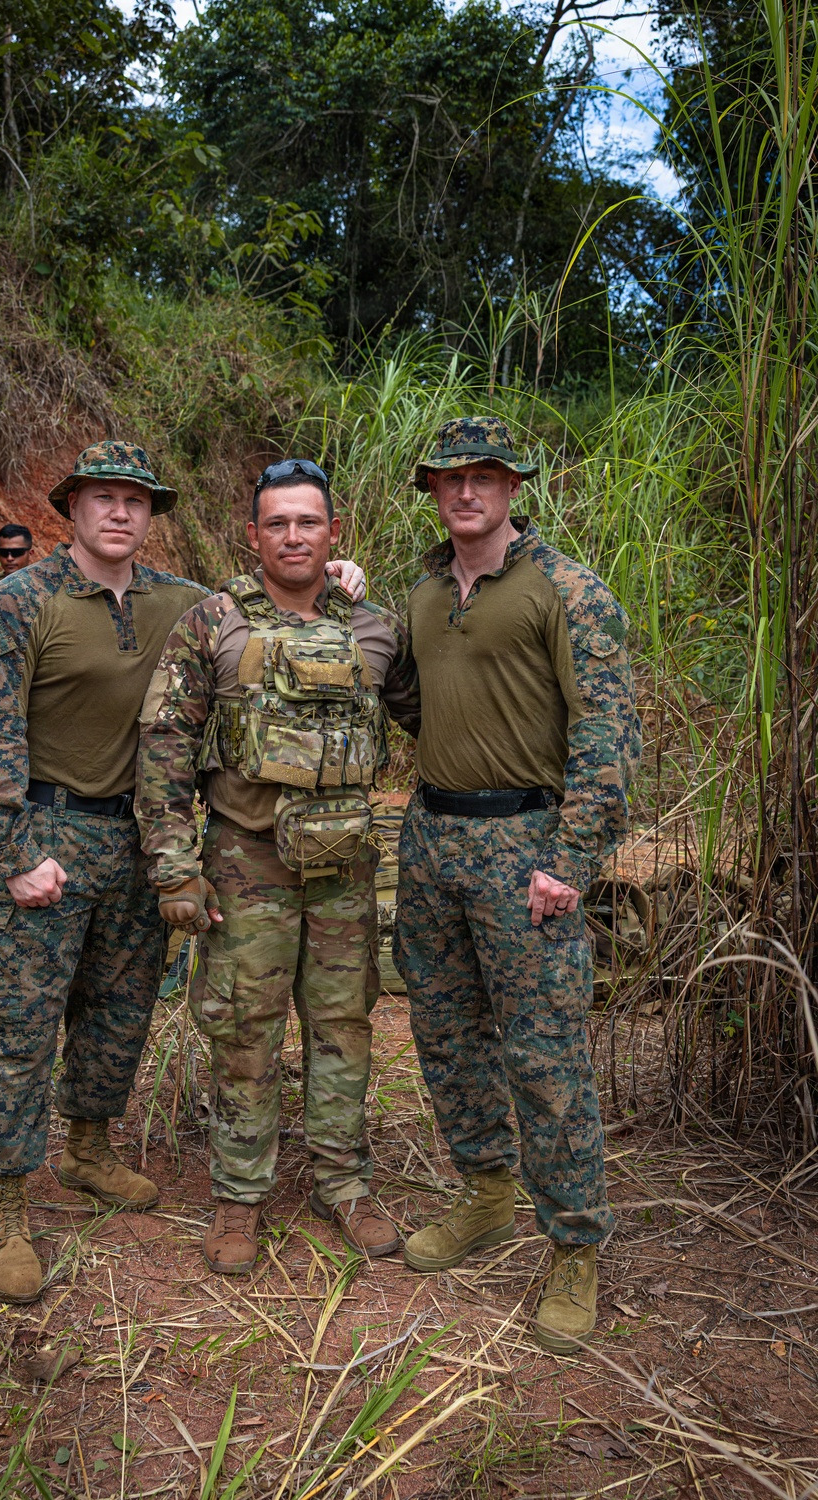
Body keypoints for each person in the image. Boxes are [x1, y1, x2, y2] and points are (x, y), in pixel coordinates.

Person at [0, 442, 366, 1305]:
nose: (119, 513)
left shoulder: (179, 601)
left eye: (135, 502)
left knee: (119, 1011)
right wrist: (16, 850)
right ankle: (4, 1202)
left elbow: (268, 601)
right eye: (103, 498)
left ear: (151, 516)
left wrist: (334, 579)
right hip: (49, 828)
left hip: (139, 840)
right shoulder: (18, 601)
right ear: (72, 506)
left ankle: (88, 1148)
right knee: (23, 1022)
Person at [136, 458, 420, 1274]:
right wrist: (174, 866)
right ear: (252, 534)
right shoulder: (212, 624)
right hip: (243, 862)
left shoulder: (377, 628)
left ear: (335, 531)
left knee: (344, 1025)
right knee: (243, 1028)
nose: (294, 536)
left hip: (344, 868)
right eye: (277, 523)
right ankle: (239, 1193)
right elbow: (166, 744)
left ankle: (345, 1183)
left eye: (308, 521)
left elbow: (430, 720)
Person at [393, 417, 640, 1353]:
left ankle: (574, 1243)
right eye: (451, 478)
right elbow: (411, 702)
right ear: (433, 489)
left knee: (544, 1053)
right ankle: (486, 1191)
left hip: (526, 844)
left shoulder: (566, 590)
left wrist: (570, 860)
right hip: (432, 838)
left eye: (485, 477)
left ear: (512, 488)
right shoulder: (424, 596)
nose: (467, 492)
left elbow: (607, 734)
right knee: (447, 1033)